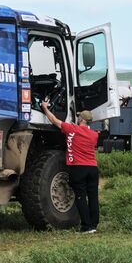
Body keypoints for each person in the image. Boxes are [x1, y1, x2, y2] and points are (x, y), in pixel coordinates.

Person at [39, 99, 99, 233]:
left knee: (80, 197)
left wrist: (45, 108)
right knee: (93, 196)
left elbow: (54, 120)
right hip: (93, 168)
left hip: (78, 168)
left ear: (81, 119)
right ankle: (94, 224)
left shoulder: (71, 129)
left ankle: (86, 226)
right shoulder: (94, 135)